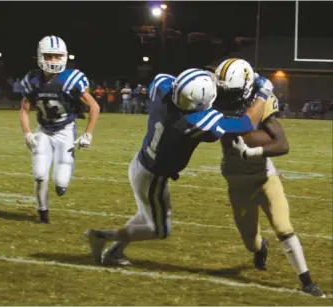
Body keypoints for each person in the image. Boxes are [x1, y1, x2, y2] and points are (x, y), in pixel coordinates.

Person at [84, 68, 273, 266]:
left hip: (142, 163)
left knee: (146, 215)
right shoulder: (193, 122)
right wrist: (263, 92)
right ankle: (101, 236)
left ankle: (114, 252)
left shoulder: (162, 87)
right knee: (159, 230)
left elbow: (169, 82)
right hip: (153, 177)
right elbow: (247, 123)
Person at [214, 58, 325, 298]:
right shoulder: (219, 104)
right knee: (251, 242)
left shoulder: (259, 102)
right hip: (238, 183)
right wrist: (258, 136)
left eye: (229, 90)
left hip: (264, 176)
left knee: (284, 228)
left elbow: (282, 144)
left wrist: (252, 148)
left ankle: (306, 281)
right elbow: (233, 135)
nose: (224, 95)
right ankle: (261, 248)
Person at [19, 35, 100, 223]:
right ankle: (42, 212)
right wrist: (28, 133)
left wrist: (88, 133)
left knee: (61, 182)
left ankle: (64, 174)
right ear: (40, 56)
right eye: (49, 56)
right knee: (39, 175)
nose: (53, 60)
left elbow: (94, 106)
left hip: (65, 130)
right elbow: (24, 110)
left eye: (57, 56)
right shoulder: (32, 80)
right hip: (44, 130)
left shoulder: (71, 79)